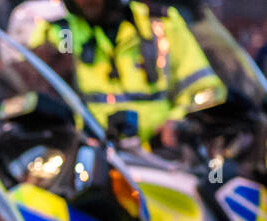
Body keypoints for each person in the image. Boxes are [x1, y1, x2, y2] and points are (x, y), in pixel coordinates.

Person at [25, 0, 226, 148]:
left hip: (162, 157)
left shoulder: (161, 23)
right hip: (89, 158)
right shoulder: (60, 32)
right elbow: (33, 89)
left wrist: (177, 122)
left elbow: (204, 88)